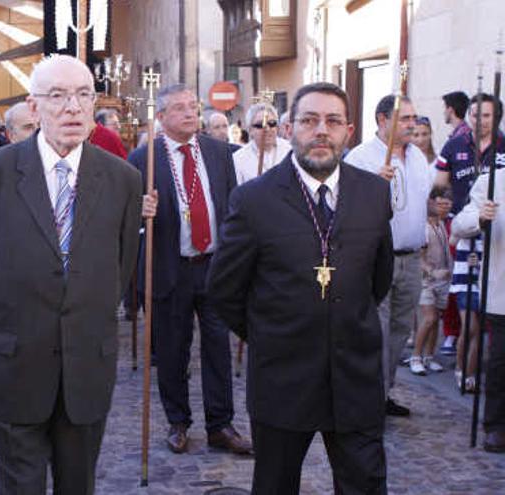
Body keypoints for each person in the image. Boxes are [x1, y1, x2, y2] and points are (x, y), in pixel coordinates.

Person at [0, 54, 142, 494]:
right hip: (16, 362)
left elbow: (121, 270)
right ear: (35, 106)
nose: (73, 107)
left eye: (84, 95)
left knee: (78, 485)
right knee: (20, 485)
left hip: (86, 369)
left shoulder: (123, 179)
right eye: (58, 96)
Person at [208, 82, 393, 494]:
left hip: (355, 374)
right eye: (309, 120)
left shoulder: (375, 193)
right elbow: (224, 289)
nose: (321, 131)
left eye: (332, 121)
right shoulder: (254, 199)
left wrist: (341, 317)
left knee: (365, 483)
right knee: (275, 485)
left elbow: (378, 278)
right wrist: (272, 332)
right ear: (290, 128)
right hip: (282, 375)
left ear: (349, 130)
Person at [129, 83, 251, 456]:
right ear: (161, 116)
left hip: (213, 266)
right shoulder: (143, 159)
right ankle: (178, 421)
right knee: (172, 349)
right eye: (179, 108)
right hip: (169, 267)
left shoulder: (220, 153)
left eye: (193, 107)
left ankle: (221, 424)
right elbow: (128, 216)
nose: (189, 113)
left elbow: (232, 208)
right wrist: (141, 210)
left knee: (218, 346)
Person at [345, 94, 429, 417]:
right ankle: (368, 397)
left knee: (400, 330)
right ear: (383, 121)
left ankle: (383, 392)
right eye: (405, 119)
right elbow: (347, 207)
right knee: (375, 331)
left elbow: (418, 202)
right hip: (378, 258)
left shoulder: (418, 157)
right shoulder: (362, 158)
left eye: (414, 118)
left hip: (411, 258)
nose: (412, 124)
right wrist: (373, 188)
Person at [435, 93, 505, 391]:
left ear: (496, 118)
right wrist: (441, 212)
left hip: (498, 241)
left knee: (491, 317)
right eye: (475, 115)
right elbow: (438, 188)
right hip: (465, 233)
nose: (480, 121)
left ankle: (483, 372)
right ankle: (464, 371)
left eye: (487, 115)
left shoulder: (504, 146)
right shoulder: (455, 145)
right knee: (470, 318)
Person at [452, 165, 505, 452]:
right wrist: (480, 218)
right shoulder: (492, 182)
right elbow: (461, 223)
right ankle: (496, 425)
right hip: (503, 290)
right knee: (500, 364)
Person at [410, 186, 453, 375]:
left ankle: (429, 356)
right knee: (429, 318)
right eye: (440, 203)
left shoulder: (442, 224)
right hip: (427, 281)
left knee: (436, 321)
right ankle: (416, 357)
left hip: (443, 279)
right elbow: (419, 257)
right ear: (431, 203)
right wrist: (432, 272)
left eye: (446, 204)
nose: (444, 207)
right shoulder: (424, 227)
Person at [233, 102, 292, 184]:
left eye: (272, 123)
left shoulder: (291, 150)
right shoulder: (238, 159)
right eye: (260, 125)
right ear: (250, 130)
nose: (267, 129)